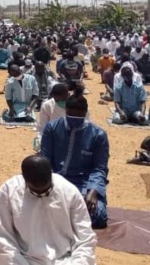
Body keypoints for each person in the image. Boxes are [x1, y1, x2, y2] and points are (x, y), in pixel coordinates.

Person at [0, 155, 99, 265]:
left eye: (46, 190)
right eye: (36, 192)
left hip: (63, 262)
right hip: (26, 262)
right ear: (24, 180)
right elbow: (3, 235)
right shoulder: (7, 192)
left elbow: (85, 235)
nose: (42, 195)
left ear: (51, 175)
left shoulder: (68, 190)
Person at [40, 96, 109, 229]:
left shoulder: (98, 135)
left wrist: (92, 192)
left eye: (79, 116)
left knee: (98, 215)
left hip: (84, 183)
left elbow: (100, 168)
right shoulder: (52, 128)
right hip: (56, 180)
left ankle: (62, 216)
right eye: (71, 114)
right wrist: (49, 186)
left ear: (85, 113)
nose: (74, 119)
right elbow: (45, 161)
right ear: (66, 111)